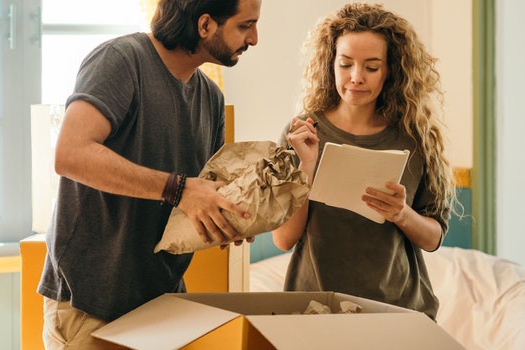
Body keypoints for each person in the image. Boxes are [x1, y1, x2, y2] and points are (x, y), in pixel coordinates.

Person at [37, 0, 261, 348]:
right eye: (245, 26)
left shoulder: (212, 99)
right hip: (89, 305)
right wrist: (179, 189)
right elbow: (71, 154)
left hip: (162, 305)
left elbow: (197, 198)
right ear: (205, 26)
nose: (255, 38)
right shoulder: (121, 60)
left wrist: (233, 217)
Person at [273, 2, 458, 320]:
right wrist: (306, 167)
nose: (356, 78)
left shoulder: (414, 139)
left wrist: (402, 214)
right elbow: (283, 239)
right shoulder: (302, 134)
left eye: (371, 67)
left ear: (391, 70)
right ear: (331, 63)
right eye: (345, 64)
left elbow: (433, 237)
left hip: (398, 312)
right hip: (316, 311)